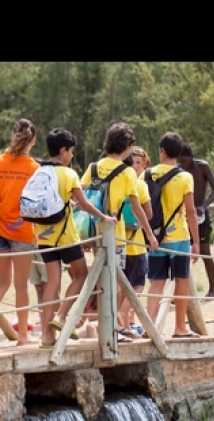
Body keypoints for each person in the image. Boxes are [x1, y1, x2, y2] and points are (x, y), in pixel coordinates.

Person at [36, 128, 116, 348]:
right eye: (71, 152)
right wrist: (104, 217)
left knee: (52, 282)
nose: (71, 156)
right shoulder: (68, 174)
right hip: (65, 236)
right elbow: (86, 204)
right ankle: (61, 316)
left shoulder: (39, 171)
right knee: (81, 275)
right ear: (63, 151)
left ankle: (46, 336)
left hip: (43, 235)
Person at [81, 123, 157, 342]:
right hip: (115, 232)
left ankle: (104, 325)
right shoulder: (127, 173)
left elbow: (82, 195)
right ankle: (112, 329)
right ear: (125, 146)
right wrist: (150, 235)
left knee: (102, 280)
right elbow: (137, 208)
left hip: (95, 230)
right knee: (113, 282)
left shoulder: (94, 167)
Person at [0, 119, 40, 345]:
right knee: (21, 285)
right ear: (32, 141)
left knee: (2, 282)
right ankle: (23, 336)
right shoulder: (34, 168)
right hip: (23, 232)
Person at [141, 131, 198, 338]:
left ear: (162, 151)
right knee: (181, 281)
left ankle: (150, 327)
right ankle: (180, 327)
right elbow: (191, 211)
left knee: (156, 282)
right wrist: (196, 242)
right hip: (179, 237)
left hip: (155, 237)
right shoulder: (185, 177)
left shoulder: (147, 174)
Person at [117, 146, 152, 338]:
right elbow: (149, 213)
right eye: (135, 162)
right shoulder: (140, 185)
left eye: (140, 162)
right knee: (138, 283)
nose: (137, 166)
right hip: (136, 243)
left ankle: (126, 325)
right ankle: (123, 314)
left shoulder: (119, 182)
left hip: (120, 240)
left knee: (124, 284)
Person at [179, 144, 214, 298]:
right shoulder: (178, 170)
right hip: (184, 216)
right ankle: (182, 292)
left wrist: (204, 206)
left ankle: (213, 289)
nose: (183, 164)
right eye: (180, 161)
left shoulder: (202, 167)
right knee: (180, 253)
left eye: (185, 161)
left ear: (191, 157)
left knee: (205, 252)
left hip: (201, 215)